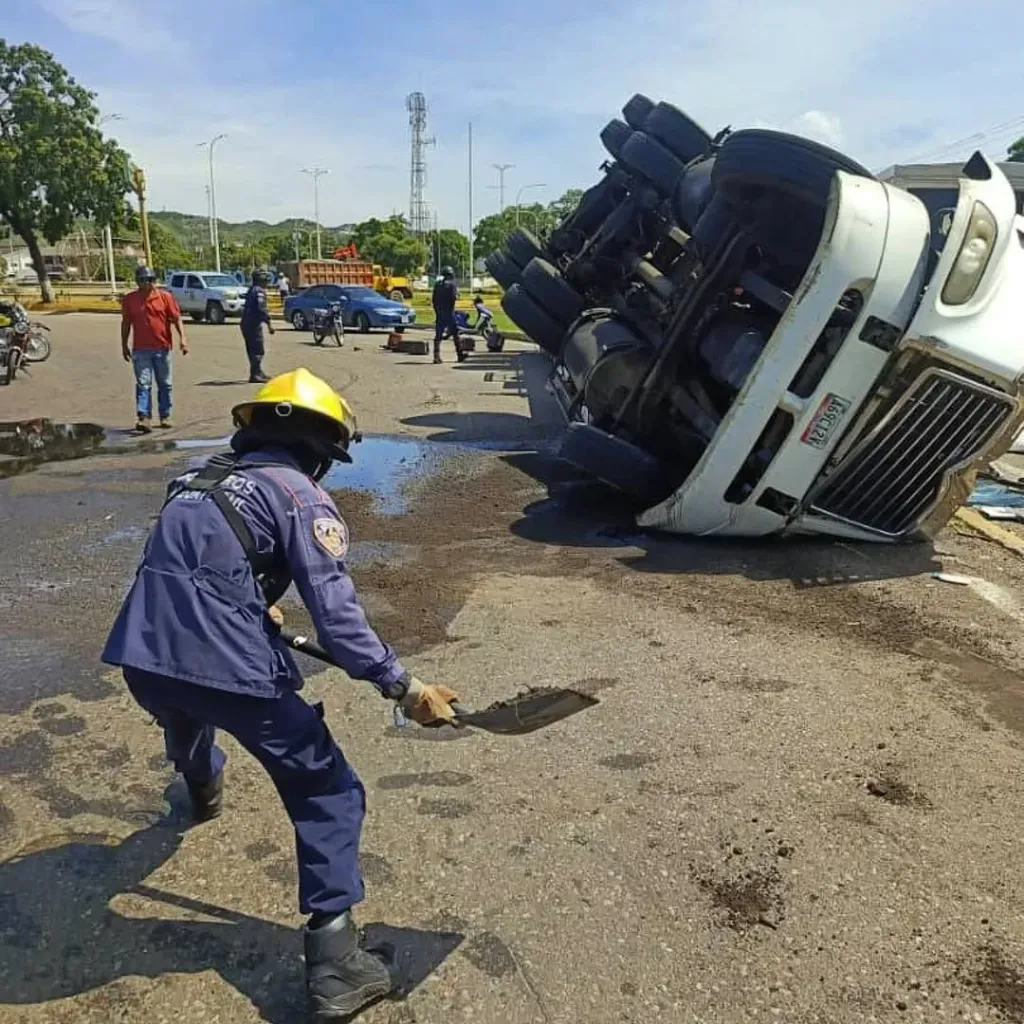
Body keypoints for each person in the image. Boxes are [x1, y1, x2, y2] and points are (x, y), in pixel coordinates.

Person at [101, 367, 460, 1020]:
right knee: (329, 790)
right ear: (320, 451)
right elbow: (338, 618)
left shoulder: (195, 482)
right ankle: (336, 970)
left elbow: (179, 568)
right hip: (224, 664)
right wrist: (401, 685)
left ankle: (201, 785)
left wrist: (250, 600)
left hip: (142, 654)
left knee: (186, 713)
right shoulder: (298, 497)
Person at [120, 266, 188, 433]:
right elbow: (126, 323)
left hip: (162, 348)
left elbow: (176, 319)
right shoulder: (130, 299)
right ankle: (144, 417)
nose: (147, 284)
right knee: (143, 384)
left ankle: (165, 415)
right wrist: (124, 345)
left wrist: (183, 339)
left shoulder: (165, 297)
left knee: (165, 384)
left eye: (150, 280)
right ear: (138, 281)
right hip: (140, 349)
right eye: (143, 280)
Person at [240, 269, 275, 384]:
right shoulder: (259, 291)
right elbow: (262, 310)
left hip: (246, 323)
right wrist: (269, 324)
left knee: (252, 349)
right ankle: (255, 374)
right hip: (253, 325)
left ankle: (257, 372)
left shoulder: (251, 290)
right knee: (258, 349)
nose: (267, 283)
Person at [431, 265, 464, 365]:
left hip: (440, 312)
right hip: (449, 312)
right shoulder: (452, 285)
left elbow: (434, 299)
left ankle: (436, 356)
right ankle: (459, 354)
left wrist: (437, 310)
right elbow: (453, 297)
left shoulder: (437, 285)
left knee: (438, 335)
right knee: (455, 333)